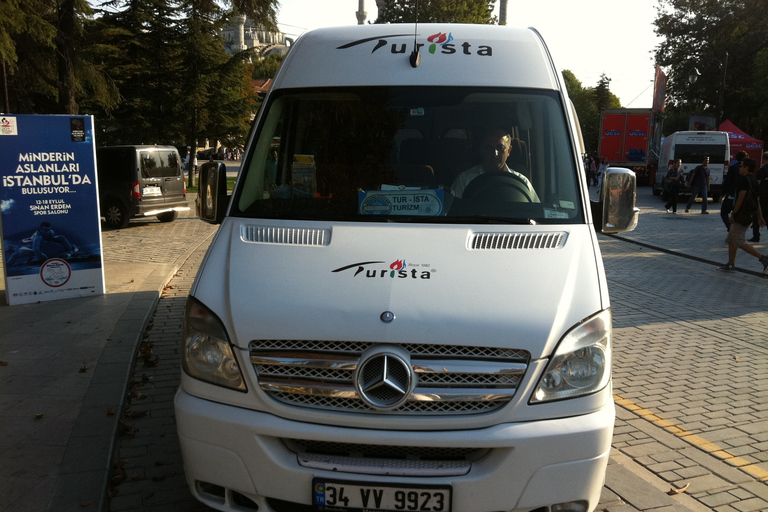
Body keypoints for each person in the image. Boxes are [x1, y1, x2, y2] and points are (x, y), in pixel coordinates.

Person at [451, 128, 540, 201]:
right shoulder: (465, 179)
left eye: (500, 148)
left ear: (509, 151)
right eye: (489, 148)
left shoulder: (522, 182)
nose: (495, 153)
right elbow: (453, 212)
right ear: (481, 150)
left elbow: (536, 213)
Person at [718, 158, 768, 273]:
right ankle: (731, 264)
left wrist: (733, 214)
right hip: (748, 214)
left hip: (741, 215)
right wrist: (759, 216)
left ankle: (763, 258)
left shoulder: (743, 180)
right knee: (731, 239)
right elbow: (757, 200)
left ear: (747, 168)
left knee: (739, 240)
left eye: (742, 166)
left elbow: (740, 198)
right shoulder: (754, 180)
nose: (740, 168)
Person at [7, 222, 78, 265]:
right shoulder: (38, 237)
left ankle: (72, 247)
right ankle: (8, 264)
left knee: (61, 237)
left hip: (44, 246)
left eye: (49, 230)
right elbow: (35, 250)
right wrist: (43, 258)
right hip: (31, 246)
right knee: (17, 253)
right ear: (41, 230)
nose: (47, 232)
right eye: (45, 230)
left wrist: (70, 248)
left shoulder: (51, 233)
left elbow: (58, 239)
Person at [721, 151, 746, 232]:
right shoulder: (747, 169)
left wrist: (722, 194)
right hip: (743, 195)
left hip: (731, 194)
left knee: (724, 212)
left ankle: (730, 228)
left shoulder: (733, 168)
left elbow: (727, 182)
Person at [756, 151, 768, 241]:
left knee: (759, 215)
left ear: (764, 159)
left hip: (763, 196)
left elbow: (758, 184)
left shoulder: (761, 170)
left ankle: (756, 235)